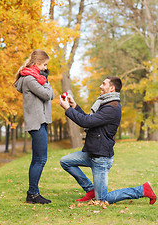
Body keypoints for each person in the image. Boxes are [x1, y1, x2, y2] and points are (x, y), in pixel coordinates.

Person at [59, 76, 156, 205]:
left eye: (103, 84)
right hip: (92, 153)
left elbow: (86, 121)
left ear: (111, 88)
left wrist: (68, 109)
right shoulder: (105, 104)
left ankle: (142, 190)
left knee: (102, 200)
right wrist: (74, 106)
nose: (100, 86)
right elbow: (89, 121)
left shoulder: (112, 108)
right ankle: (90, 190)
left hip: (101, 159)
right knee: (65, 162)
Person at [14, 49, 54, 204]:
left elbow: (50, 95)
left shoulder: (35, 78)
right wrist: (47, 82)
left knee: (38, 158)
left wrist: (44, 81)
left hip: (39, 120)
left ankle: (33, 193)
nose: (45, 68)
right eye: (44, 65)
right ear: (37, 63)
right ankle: (32, 194)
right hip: (36, 122)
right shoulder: (31, 79)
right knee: (40, 159)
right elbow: (48, 95)